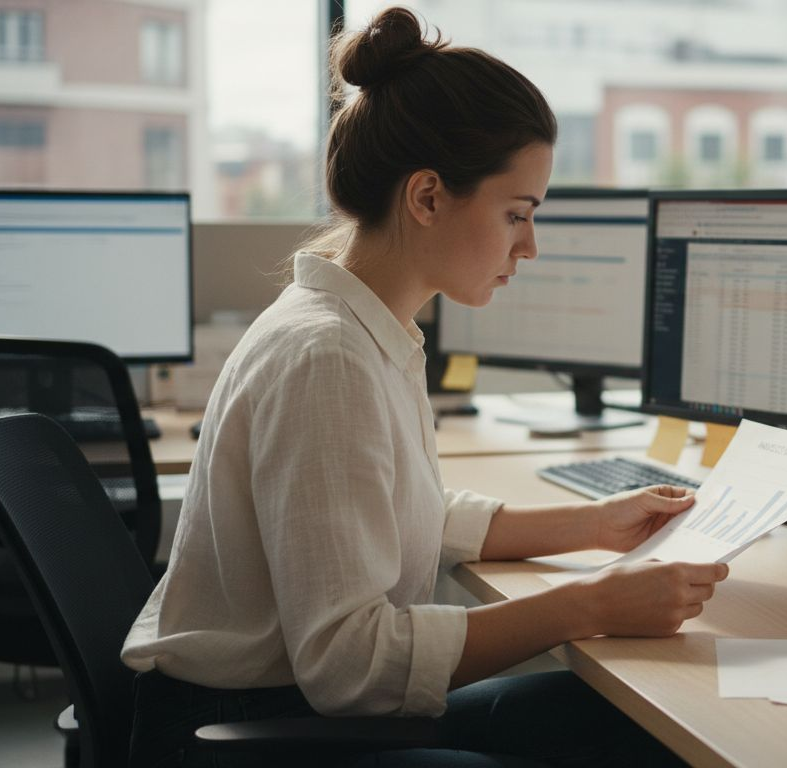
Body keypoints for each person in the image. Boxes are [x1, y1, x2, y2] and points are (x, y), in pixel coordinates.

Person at [121, 7, 727, 767]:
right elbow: (350, 664)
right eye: (516, 214)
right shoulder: (327, 357)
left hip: (282, 705)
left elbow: (397, 507)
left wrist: (592, 526)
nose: (529, 246)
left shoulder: (361, 328)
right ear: (429, 197)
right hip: (239, 729)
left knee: (619, 727)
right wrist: (592, 605)